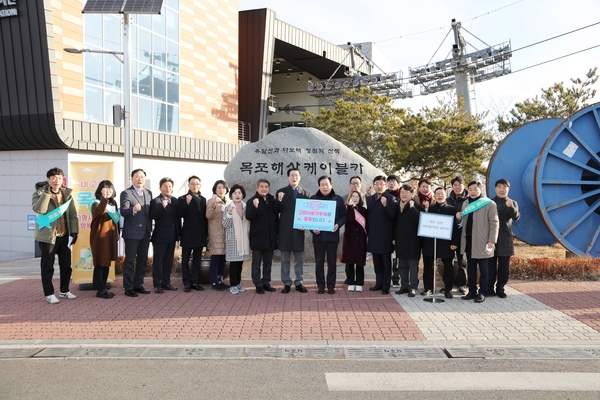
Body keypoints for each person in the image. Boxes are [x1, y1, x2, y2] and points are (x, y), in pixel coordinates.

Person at [32, 167, 79, 304]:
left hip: (64, 235)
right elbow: (39, 209)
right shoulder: (39, 193)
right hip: (48, 237)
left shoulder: (67, 194)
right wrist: (46, 194)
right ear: (48, 180)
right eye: (53, 178)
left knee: (66, 265)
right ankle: (49, 293)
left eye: (59, 178)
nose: (56, 180)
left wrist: (74, 232)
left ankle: (64, 291)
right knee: (48, 266)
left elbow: (72, 215)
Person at [457, 181, 499, 303]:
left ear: (480, 189)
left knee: (484, 269)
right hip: (468, 240)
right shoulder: (466, 203)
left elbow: (495, 223)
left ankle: (483, 292)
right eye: (470, 189)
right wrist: (458, 219)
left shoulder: (489, 203)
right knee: (471, 268)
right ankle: (472, 291)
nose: (473, 191)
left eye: (475, 189)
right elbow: (462, 223)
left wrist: (492, 240)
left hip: (482, 241)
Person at [310, 176, 347, 294]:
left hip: (332, 236)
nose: (325, 187)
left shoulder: (338, 199)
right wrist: (312, 229)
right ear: (319, 186)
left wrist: (338, 224)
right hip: (318, 237)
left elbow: (344, 215)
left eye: (327, 184)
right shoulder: (313, 199)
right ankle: (320, 285)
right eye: (322, 184)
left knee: (332, 263)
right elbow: (309, 218)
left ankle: (331, 285)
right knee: (319, 262)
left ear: (331, 185)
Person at [275, 168, 310, 294]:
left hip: (299, 231)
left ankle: (299, 282)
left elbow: (308, 213)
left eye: (296, 175)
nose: (294, 177)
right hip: (285, 230)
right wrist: (279, 200)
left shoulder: (305, 193)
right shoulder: (281, 192)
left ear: (299, 177)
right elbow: (277, 210)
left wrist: (305, 224)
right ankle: (286, 283)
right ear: (288, 177)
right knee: (285, 259)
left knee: (299, 259)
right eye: (292, 175)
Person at [422, 187, 460, 299]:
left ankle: (448, 289)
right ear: (434, 195)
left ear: (446, 194)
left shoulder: (452, 210)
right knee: (428, 266)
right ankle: (428, 288)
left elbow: (456, 228)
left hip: (446, 243)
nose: (439, 196)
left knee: (448, 267)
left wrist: (454, 242)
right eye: (437, 194)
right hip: (430, 242)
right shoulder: (430, 209)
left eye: (441, 194)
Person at [120, 168, 153, 297]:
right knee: (130, 260)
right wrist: (133, 209)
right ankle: (128, 287)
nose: (140, 179)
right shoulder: (126, 193)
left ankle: (138, 284)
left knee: (143, 260)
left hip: (145, 232)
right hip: (132, 233)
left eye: (142, 177)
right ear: (131, 178)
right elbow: (123, 210)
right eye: (137, 176)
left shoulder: (148, 193)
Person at [246, 179, 279, 294]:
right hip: (257, 238)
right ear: (257, 188)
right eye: (261, 186)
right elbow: (249, 217)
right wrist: (254, 207)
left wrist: (277, 232)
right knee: (256, 263)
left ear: (268, 188)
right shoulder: (252, 201)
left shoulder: (272, 201)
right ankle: (258, 284)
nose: (264, 188)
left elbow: (276, 218)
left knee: (268, 263)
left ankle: (266, 282)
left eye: (266, 186)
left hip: (270, 237)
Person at [489, 178, 520, 298]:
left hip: (505, 238)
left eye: (504, 187)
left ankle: (500, 288)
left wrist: (510, 207)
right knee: (490, 265)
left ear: (508, 189)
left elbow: (516, 217)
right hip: (491, 237)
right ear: (495, 188)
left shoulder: (513, 203)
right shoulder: (490, 202)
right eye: (499, 187)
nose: (502, 190)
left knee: (504, 267)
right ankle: (489, 288)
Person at [367, 175, 397, 295]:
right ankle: (378, 283)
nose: (379, 186)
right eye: (377, 184)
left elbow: (392, 216)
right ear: (374, 185)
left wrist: (385, 205)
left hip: (385, 237)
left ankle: (386, 286)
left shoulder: (391, 199)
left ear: (385, 185)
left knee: (386, 263)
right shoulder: (371, 199)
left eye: (381, 184)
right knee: (377, 263)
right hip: (374, 236)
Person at [89, 180, 120, 299]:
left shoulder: (113, 203)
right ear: (100, 190)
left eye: (109, 189)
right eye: (104, 189)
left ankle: (104, 288)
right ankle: (100, 290)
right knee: (100, 263)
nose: (107, 191)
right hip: (99, 238)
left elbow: (116, 220)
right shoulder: (95, 203)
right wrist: (104, 198)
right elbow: (99, 212)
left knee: (106, 263)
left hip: (110, 237)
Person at [177, 175, 208, 292]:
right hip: (188, 233)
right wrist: (186, 203)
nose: (195, 186)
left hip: (200, 233)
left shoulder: (204, 199)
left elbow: (205, 218)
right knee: (185, 260)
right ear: (188, 185)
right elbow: (179, 214)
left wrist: (206, 234)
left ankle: (195, 282)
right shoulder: (182, 198)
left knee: (197, 260)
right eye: (193, 183)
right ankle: (186, 283)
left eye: (197, 184)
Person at [150, 177, 181, 293]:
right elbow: (153, 215)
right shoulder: (156, 201)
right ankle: (157, 284)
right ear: (160, 188)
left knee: (168, 261)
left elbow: (178, 219)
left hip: (172, 236)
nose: (168, 188)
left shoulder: (175, 201)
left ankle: (166, 283)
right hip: (160, 237)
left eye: (169, 186)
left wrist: (178, 235)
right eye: (165, 186)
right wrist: (162, 207)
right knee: (158, 261)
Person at [393, 184, 421, 297]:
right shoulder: (397, 207)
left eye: (406, 192)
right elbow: (394, 224)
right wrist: (393, 238)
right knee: (402, 266)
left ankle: (413, 287)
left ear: (412, 194)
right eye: (402, 193)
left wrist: (412, 208)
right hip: (400, 241)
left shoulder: (417, 207)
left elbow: (420, 221)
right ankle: (404, 286)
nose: (404, 195)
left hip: (413, 242)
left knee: (413, 266)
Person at [222, 184, 250, 295]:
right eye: (235, 193)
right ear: (231, 195)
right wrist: (229, 213)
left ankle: (238, 283)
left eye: (239, 193)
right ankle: (233, 285)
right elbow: (225, 224)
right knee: (234, 264)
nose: (237, 195)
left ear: (243, 195)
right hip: (233, 240)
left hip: (244, 240)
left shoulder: (246, 207)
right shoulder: (228, 208)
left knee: (240, 263)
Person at [446, 176, 469, 295]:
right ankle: (448, 285)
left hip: (462, 235)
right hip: (449, 234)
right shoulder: (448, 200)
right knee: (447, 260)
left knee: (462, 261)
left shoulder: (468, 200)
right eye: (455, 185)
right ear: (452, 187)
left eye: (459, 185)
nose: (457, 187)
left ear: (463, 186)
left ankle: (461, 284)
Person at [341, 190, 368, 292]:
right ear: (350, 198)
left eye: (357, 196)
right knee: (350, 262)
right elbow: (351, 219)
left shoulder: (364, 210)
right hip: (350, 239)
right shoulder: (347, 209)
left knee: (360, 262)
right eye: (353, 196)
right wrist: (350, 207)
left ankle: (359, 283)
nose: (355, 198)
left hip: (361, 239)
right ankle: (351, 282)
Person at [206, 180, 230, 290]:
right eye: (219, 188)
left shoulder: (228, 202)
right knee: (215, 258)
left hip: (226, 234)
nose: (221, 190)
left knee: (223, 259)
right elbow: (208, 216)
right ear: (215, 189)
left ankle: (220, 280)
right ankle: (214, 282)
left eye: (223, 188)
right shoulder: (212, 200)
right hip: (215, 234)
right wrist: (213, 207)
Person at [386, 174, 401, 287]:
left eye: (394, 181)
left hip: (399, 230)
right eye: (389, 181)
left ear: (398, 184)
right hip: (386, 230)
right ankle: (386, 278)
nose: (391, 183)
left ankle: (396, 278)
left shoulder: (403, 195)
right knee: (386, 255)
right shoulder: (384, 195)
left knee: (397, 256)